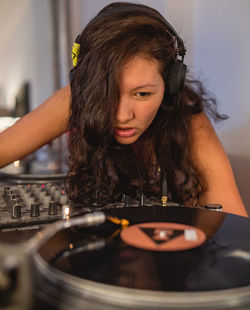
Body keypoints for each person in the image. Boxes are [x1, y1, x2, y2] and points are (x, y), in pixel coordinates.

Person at [0, 2, 247, 217]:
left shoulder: (189, 120)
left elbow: (232, 225)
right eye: (106, 94)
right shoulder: (74, 99)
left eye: (142, 94)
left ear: (171, 84)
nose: (121, 116)